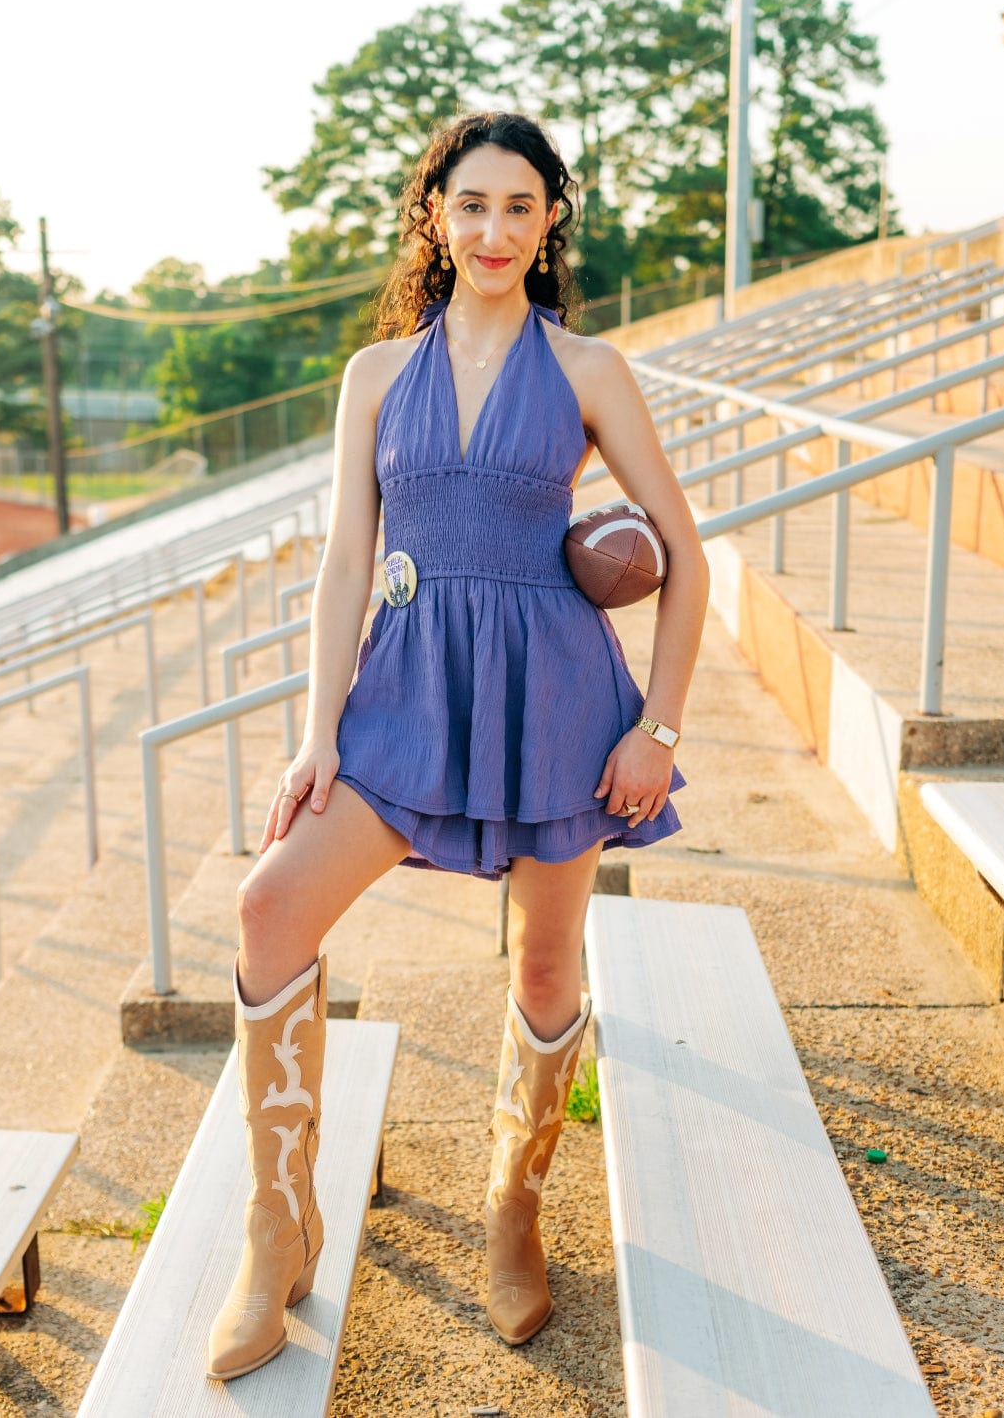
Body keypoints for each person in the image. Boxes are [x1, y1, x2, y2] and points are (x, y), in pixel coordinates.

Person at [206, 110, 710, 1381]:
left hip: (557, 707)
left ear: (550, 223)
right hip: (404, 696)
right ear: (434, 215)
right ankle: (279, 1229)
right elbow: (341, 562)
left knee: (544, 972)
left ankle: (513, 1211)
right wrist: (313, 736)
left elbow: (684, 555)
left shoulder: (590, 369)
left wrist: (656, 727)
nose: (493, 230)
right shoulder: (375, 377)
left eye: (519, 207)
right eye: (470, 204)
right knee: (271, 909)